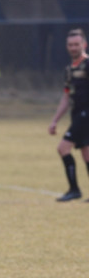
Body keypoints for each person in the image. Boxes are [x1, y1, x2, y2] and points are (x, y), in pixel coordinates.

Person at [48, 28, 89, 202]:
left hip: (86, 114)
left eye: (76, 44)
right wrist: (55, 120)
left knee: (63, 148)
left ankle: (74, 189)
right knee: (86, 153)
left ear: (84, 44)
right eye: (70, 45)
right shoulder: (69, 70)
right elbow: (66, 97)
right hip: (76, 113)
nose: (73, 47)